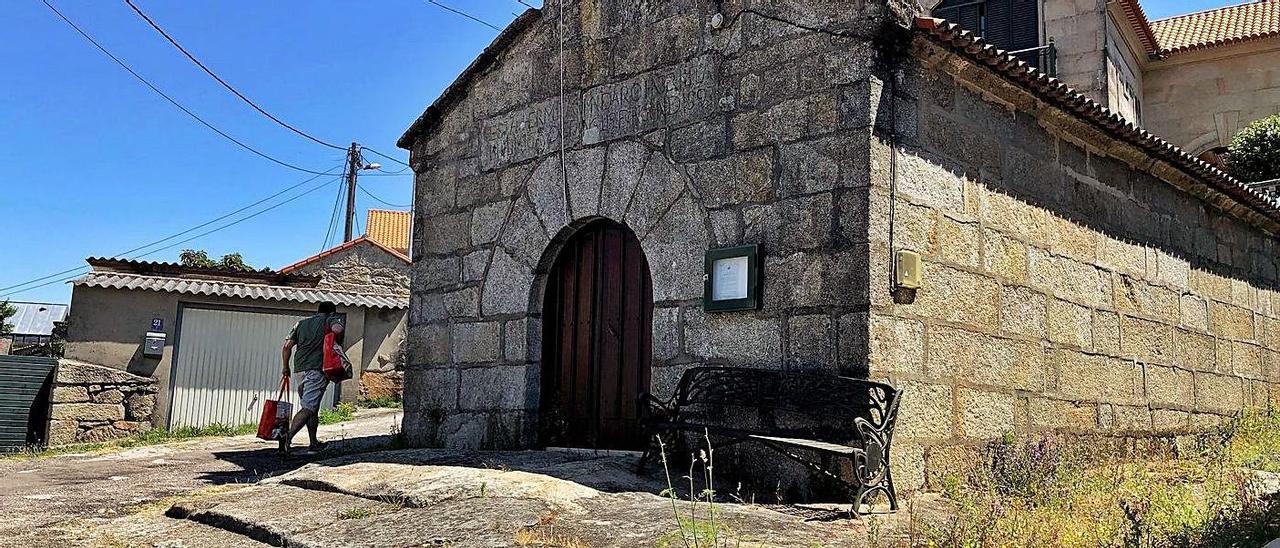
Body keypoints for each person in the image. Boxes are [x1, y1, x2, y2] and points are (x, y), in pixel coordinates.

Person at [279, 302, 344, 455]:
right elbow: (337, 329)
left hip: (299, 369)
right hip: (317, 368)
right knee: (308, 407)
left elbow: (287, 346)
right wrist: (333, 333)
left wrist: (285, 367)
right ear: (331, 313)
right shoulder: (330, 320)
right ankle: (286, 439)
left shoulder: (301, 324)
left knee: (312, 407)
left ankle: (313, 443)